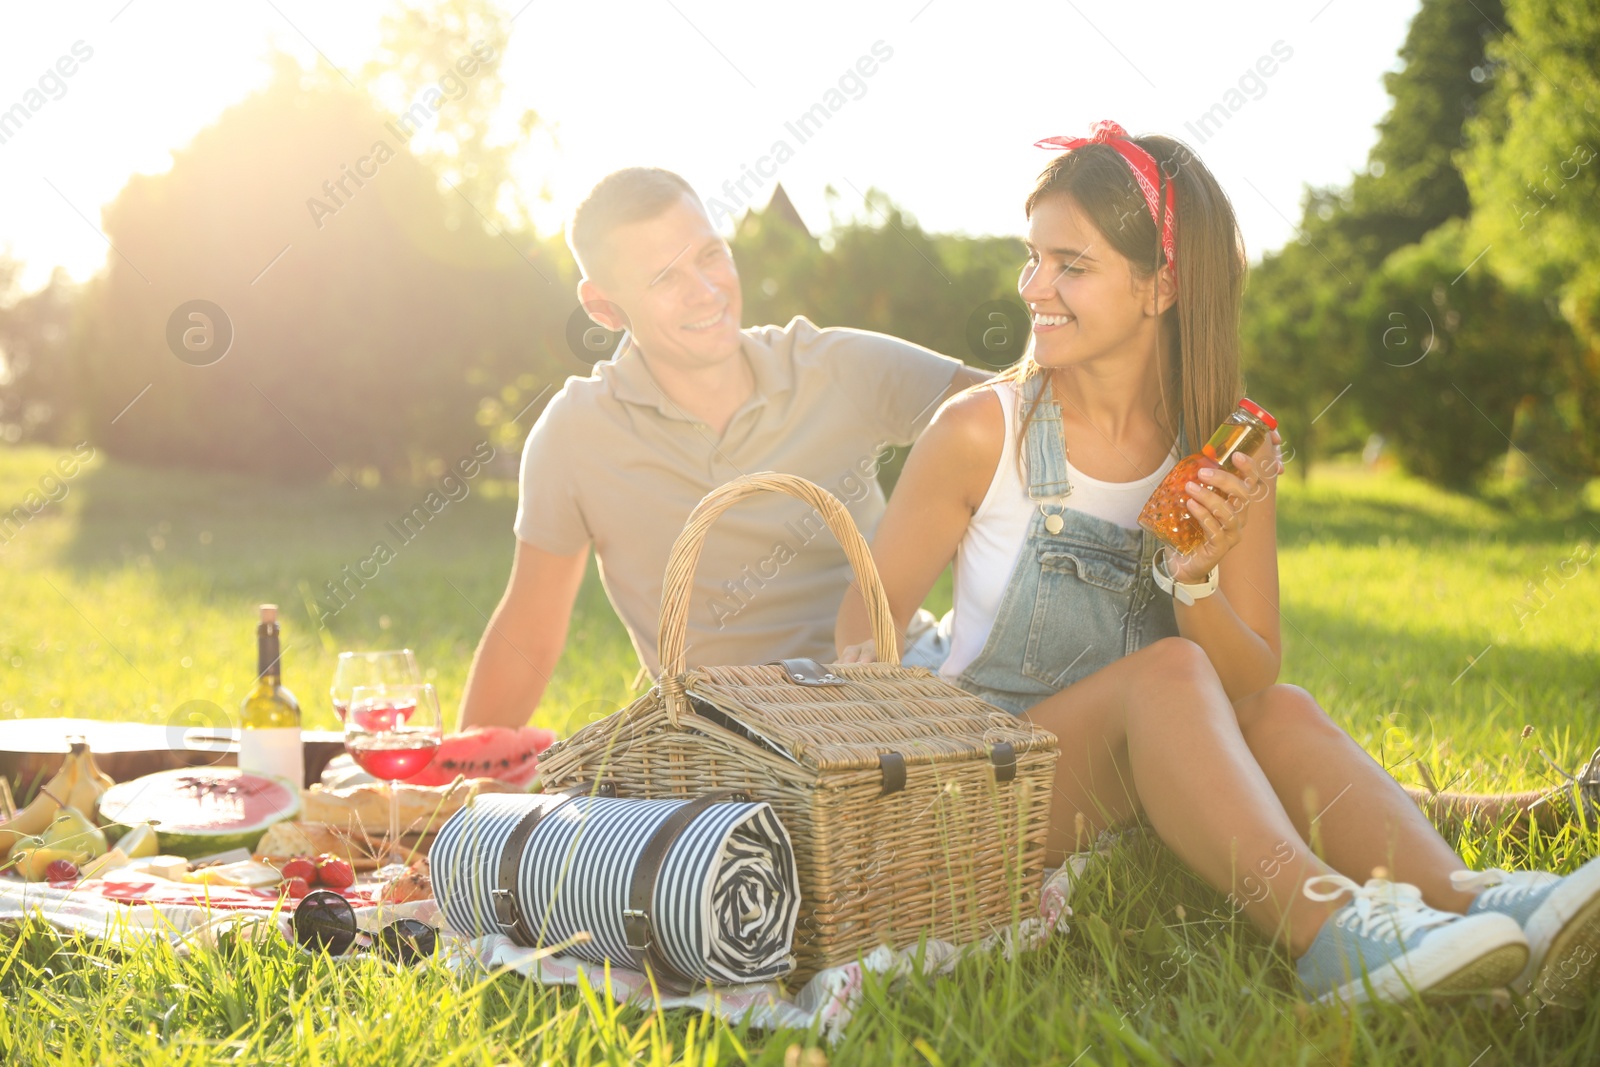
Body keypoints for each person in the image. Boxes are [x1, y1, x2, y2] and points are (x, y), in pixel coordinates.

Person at [836, 122, 1600, 1007]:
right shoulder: (982, 431)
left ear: (1164, 284)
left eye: (1070, 265)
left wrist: (1193, 579)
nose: (1034, 288)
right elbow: (867, 625)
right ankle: (1329, 931)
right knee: (1166, 672)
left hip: (1139, 794)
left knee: (1274, 708)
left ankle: (1467, 898)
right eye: (1032, 258)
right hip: (991, 790)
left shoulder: (1228, 452)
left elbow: (1249, 675)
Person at [459, 167, 987, 730]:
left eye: (710, 256)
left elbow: (1024, 414)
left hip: (902, 685)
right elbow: (530, 630)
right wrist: (459, 775)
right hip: (728, 738)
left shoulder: (833, 365)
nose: (706, 291)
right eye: (663, 278)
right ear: (605, 308)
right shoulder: (574, 434)